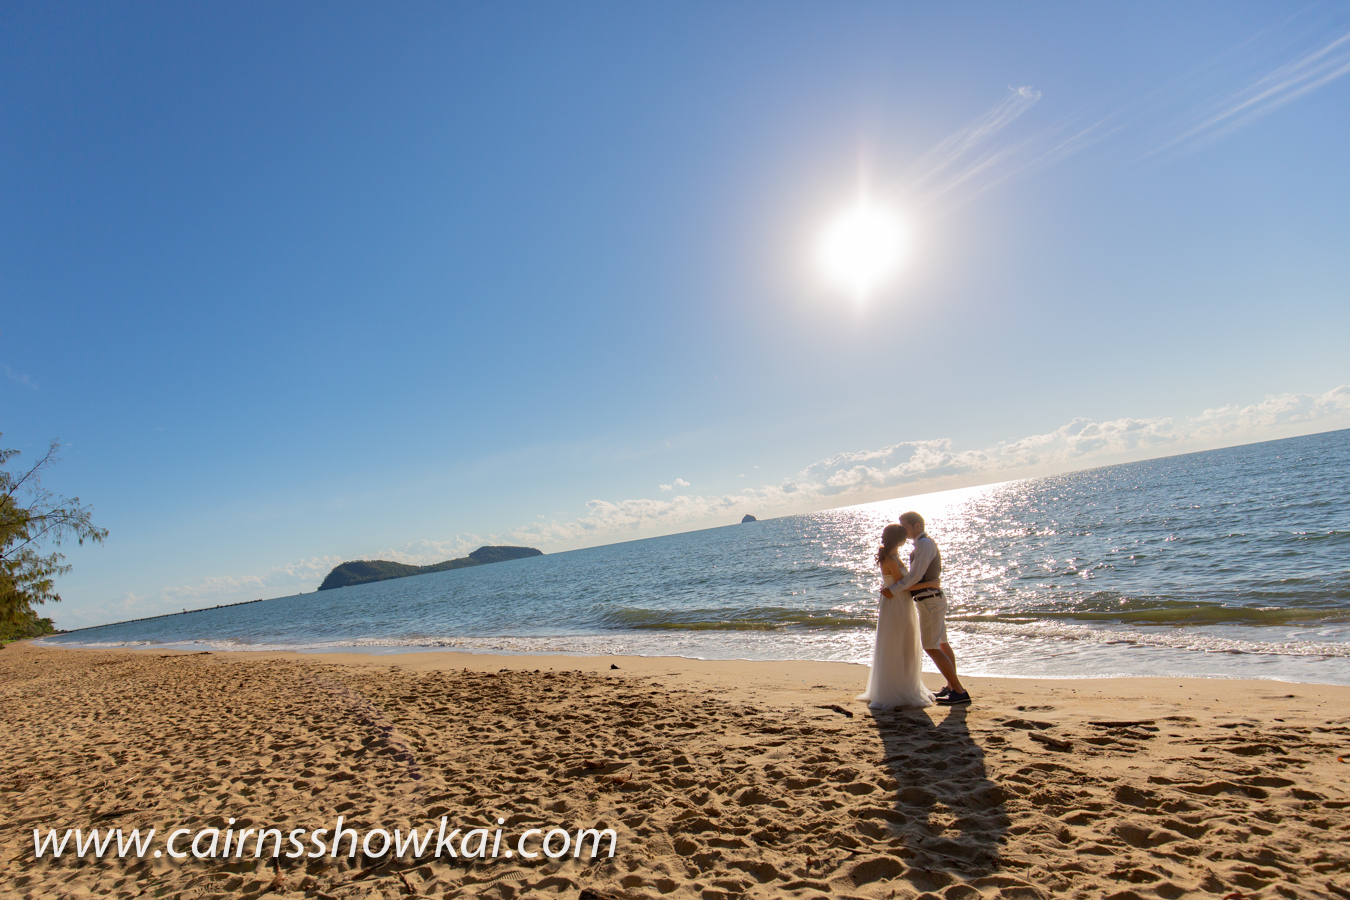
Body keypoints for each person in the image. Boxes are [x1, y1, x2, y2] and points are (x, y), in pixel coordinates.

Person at [891, 511, 970, 706]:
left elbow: (917, 575)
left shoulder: (925, 544)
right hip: (930, 598)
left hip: (930, 601)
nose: (903, 530)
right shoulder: (921, 544)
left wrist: (894, 589)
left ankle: (959, 691)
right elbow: (920, 576)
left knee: (931, 646)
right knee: (942, 644)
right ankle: (952, 686)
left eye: (906, 526)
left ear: (917, 526)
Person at [856, 523, 937, 710]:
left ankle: (906, 683)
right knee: (897, 643)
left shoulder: (893, 556)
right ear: (899, 539)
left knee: (904, 642)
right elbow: (904, 585)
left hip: (901, 602)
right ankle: (897, 688)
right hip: (896, 604)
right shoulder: (891, 560)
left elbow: (900, 584)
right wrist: (933, 583)